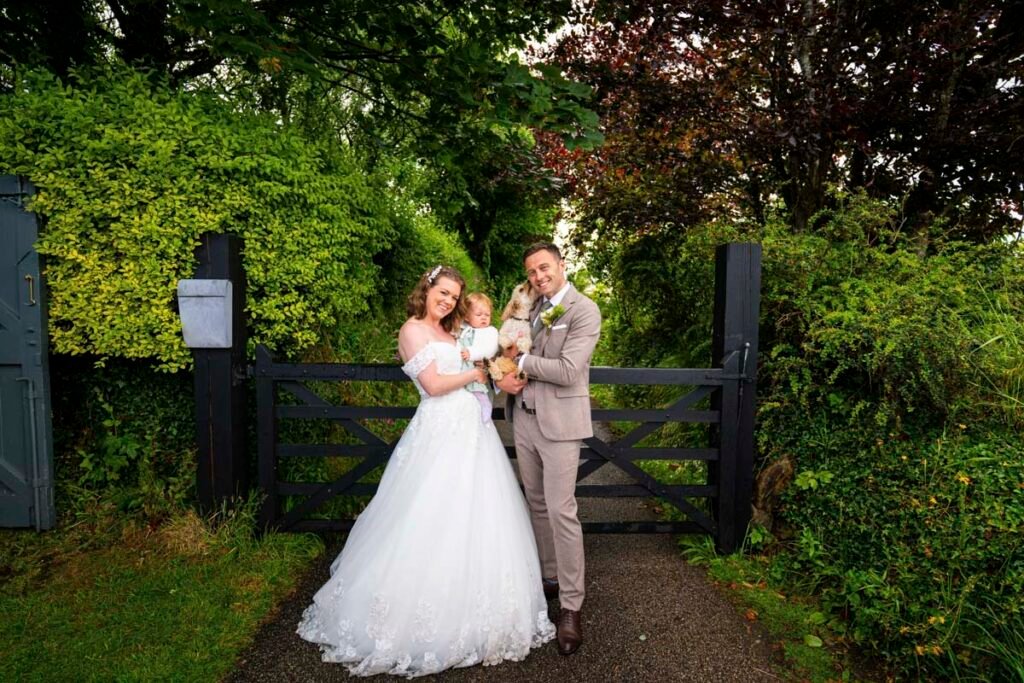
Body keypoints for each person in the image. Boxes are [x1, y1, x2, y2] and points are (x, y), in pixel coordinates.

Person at [297, 265, 555, 677]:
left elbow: (473, 366)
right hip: (438, 430)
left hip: (472, 430)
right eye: (444, 292)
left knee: (477, 515)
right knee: (429, 512)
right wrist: (484, 371)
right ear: (428, 288)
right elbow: (434, 385)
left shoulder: (453, 333)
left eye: (454, 296)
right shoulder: (412, 330)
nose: (448, 300)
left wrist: (498, 373)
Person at [494, 242, 602, 656]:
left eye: (544, 268)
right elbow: (506, 346)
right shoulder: (530, 307)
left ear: (561, 265)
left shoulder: (583, 310)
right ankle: (550, 577)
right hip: (523, 418)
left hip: (559, 425)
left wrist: (521, 362)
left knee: (562, 509)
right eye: (532, 272)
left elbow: (570, 370)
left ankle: (572, 607)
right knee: (536, 503)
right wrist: (503, 369)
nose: (539, 277)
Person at [458, 292, 499, 424]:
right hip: (462, 371)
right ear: (467, 317)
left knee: (478, 391)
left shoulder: (490, 331)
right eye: (479, 315)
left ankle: (485, 408)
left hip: (476, 367)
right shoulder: (463, 330)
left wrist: (471, 353)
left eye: (487, 315)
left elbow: (490, 349)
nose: (484, 318)